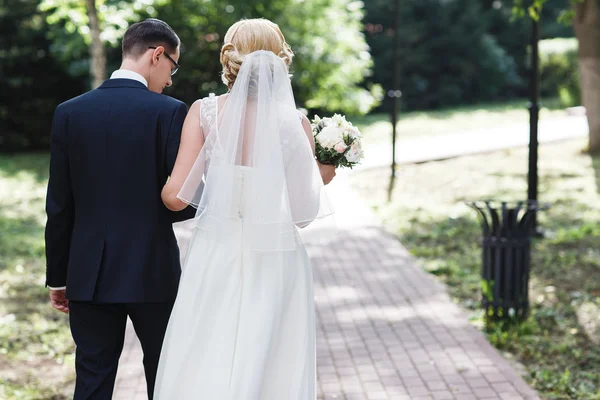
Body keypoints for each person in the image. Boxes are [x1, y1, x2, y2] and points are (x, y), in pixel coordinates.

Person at [154, 18, 335, 399]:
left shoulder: (203, 113)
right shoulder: (293, 122)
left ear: (229, 59)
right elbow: (302, 214)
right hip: (276, 253)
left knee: (206, 346)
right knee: (272, 353)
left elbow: (176, 197)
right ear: (279, 59)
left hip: (216, 249)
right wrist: (325, 176)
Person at [45, 18, 195, 399]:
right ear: (157, 54)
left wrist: (58, 278)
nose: (171, 79)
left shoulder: (69, 112)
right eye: (172, 66)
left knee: (92, 379)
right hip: (153, 271)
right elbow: (179, 202)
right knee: (165, 376)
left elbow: (59, 205)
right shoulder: (170, 112)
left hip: (88, 274)